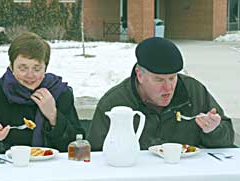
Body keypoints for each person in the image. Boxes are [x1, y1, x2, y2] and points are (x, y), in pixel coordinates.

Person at [87, 37, 235, 151]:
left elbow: (227, 141)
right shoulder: (114, 102)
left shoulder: (194, 91)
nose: (168, 87)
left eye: (172, 78)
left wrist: (213, 130)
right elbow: (96, 154)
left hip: (187, 179)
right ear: (140, 75)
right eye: (158, 80)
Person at [0, 32, 84, 154]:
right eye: (23, 68)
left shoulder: (59, 93)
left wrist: (53, 116)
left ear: (45, 67)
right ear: (11, 67)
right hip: (2, 171)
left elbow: (78, 145)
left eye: (37, 68)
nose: (30, 75)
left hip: (49, 170)